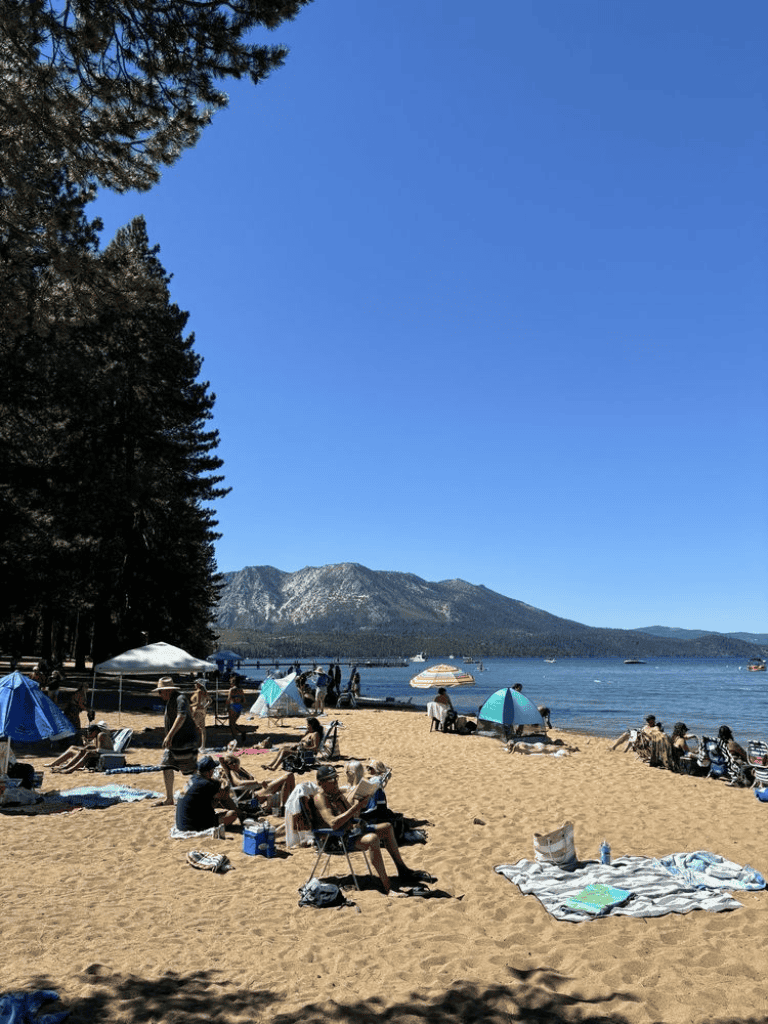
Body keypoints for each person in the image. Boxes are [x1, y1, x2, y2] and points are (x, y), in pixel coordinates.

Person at [312, 765, 431, 895]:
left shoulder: (336, 795)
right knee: (373, 839)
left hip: (348, 834)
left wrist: (359, 803)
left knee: (387, 827)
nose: (335, 782)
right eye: (331, 779)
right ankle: (388, 887)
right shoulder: (320, 798)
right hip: (335, 840)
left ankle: (403, 870)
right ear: (321, 783)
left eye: (336, 778)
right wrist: (356, 807)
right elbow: (333, 823)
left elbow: (354, 816)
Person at [154, 678, 201, 806]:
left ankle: (199, 795)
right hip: (174, 742)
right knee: (166, 766)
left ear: (168, 690)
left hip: (185, 741)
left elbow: (181, 716)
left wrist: (169, 735)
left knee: (191, 770)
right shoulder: (172, 700)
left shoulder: (180, 698)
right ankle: (169, 798)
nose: (159, 694)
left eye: (160, 692)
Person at [175, 755, 239, 832]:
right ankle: (240, 814)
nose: (213, 772)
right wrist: (225, 782)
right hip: (193, 826)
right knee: (232, 814)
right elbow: (224, 794)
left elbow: (216, 785)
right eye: (213, 770)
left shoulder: (194, 779)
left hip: (182, 824)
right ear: (208, 771)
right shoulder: (207, 784)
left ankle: (239, 812)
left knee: (215, 798)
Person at [46, 722, 113, 773]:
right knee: (81, 750)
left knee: (87, 752)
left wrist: (90, 749)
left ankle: (69, 769)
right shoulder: (98, 735)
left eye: (90, 733)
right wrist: (89, 746)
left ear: (95, 731)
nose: (89, 734)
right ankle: (67, 767)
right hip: (103, 753)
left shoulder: (101, 735)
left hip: (107, 755)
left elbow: (100, 750)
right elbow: (99, 748)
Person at [190, 680, 212, 750]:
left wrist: (189, 705)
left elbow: (197, 703)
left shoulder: (198, 691)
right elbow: (210, 700)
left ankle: (193, 745)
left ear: (199, 684)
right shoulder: (204, 692)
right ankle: (202, 746)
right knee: (202, 729)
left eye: (196, 683)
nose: (195, 684)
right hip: (202, 711)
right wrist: (205, 707)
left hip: (196, 711)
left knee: (193, 728)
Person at [225, 680, 248, 746]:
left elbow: (228, 699)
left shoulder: (231, 690)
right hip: (239, 706)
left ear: (233, 683)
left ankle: (235, 737)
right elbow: (244, 700)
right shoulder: (241, 690)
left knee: (231, 724)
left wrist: (226, 707)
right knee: (233, 723)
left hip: (233, 706)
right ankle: (241, 732)